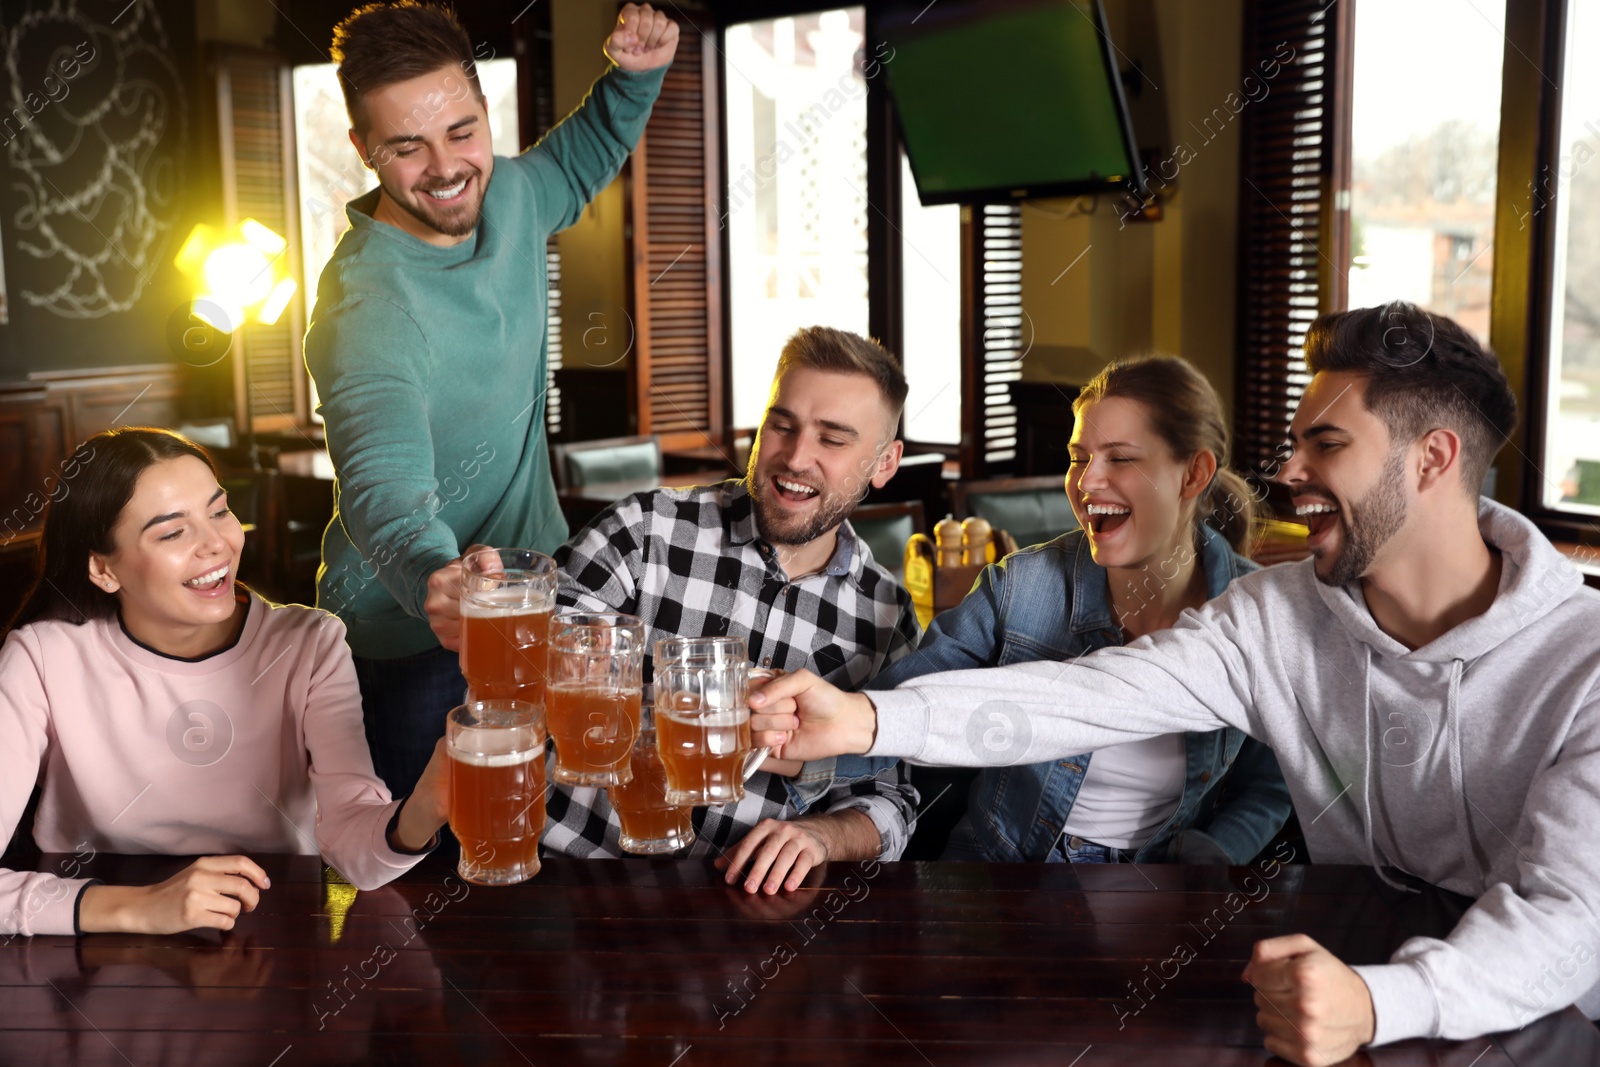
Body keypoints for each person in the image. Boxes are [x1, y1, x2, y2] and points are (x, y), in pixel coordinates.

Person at [749, 302, 1600, 1065]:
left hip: (1534, 1018)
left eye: (1327, 443)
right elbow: (1087, 695)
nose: (1288, 471)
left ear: (1432, 460)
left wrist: (1380, 1002)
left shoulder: (1586, 660)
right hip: (1344, 991)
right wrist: (863, 716)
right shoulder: (1280, 613)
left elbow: (1566, 920)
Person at [303, 2, 678, 796]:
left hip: (541, 599)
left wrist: (633, 77)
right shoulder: (367, 308)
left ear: (485, 116)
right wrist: (435, 576)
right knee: (430, 879)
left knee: (550, 844)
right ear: (363, 149)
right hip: (412, 643)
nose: (445, 167)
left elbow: (577, 164)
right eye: (407, 145)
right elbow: (384, 490)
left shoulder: (507, 193)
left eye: (461, 131)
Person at [0, 429, 450, 938]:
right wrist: (141, 908)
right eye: (172, 533)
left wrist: (424, 810)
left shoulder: (309, 643)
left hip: (271, 944)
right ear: (103, 569)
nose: (216, 543)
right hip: (86, 949)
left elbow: (355, 856)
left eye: (219, 512)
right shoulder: (41, 657)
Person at [871, 355, 1290, 864]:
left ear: (1193, 473)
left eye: (1120, 458)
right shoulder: (1017, 586)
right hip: (997, 879)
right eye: (1078, 458)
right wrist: (792, 736)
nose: (1087, 482)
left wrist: (1210, 860)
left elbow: (1269, 787)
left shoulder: (1260, 615)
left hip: (1158, 891)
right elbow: (892, 710)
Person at [546, 326, 921, 894]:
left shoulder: (887, 615)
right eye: (782, 424)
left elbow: (895, 799)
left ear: (884, 462)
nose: (796, 457)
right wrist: (710, 715)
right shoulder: (644, 529)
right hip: (572, 880)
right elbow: (530, 669)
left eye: (833, 439)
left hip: (748, 909)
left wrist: (824, 836)